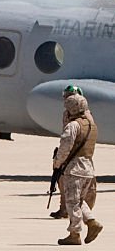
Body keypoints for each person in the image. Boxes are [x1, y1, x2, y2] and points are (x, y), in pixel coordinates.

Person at [54, 94, 103, 246]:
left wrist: (57, 163)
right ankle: (92, 222)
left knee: (71, 202)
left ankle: (74, 234)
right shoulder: (92, 125)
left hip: (74, 169)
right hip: (88, 168)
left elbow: (65, 148)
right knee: (79, 201)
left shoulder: (73, 126)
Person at [50, 86, 84, 220]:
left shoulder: (82, 115)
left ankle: (81, 214)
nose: (67, 98)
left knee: (74, 185)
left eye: (70, 96)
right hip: (67, 149)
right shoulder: (67, 113)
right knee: (61, 180)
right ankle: (63, 208)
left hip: (76, 153)